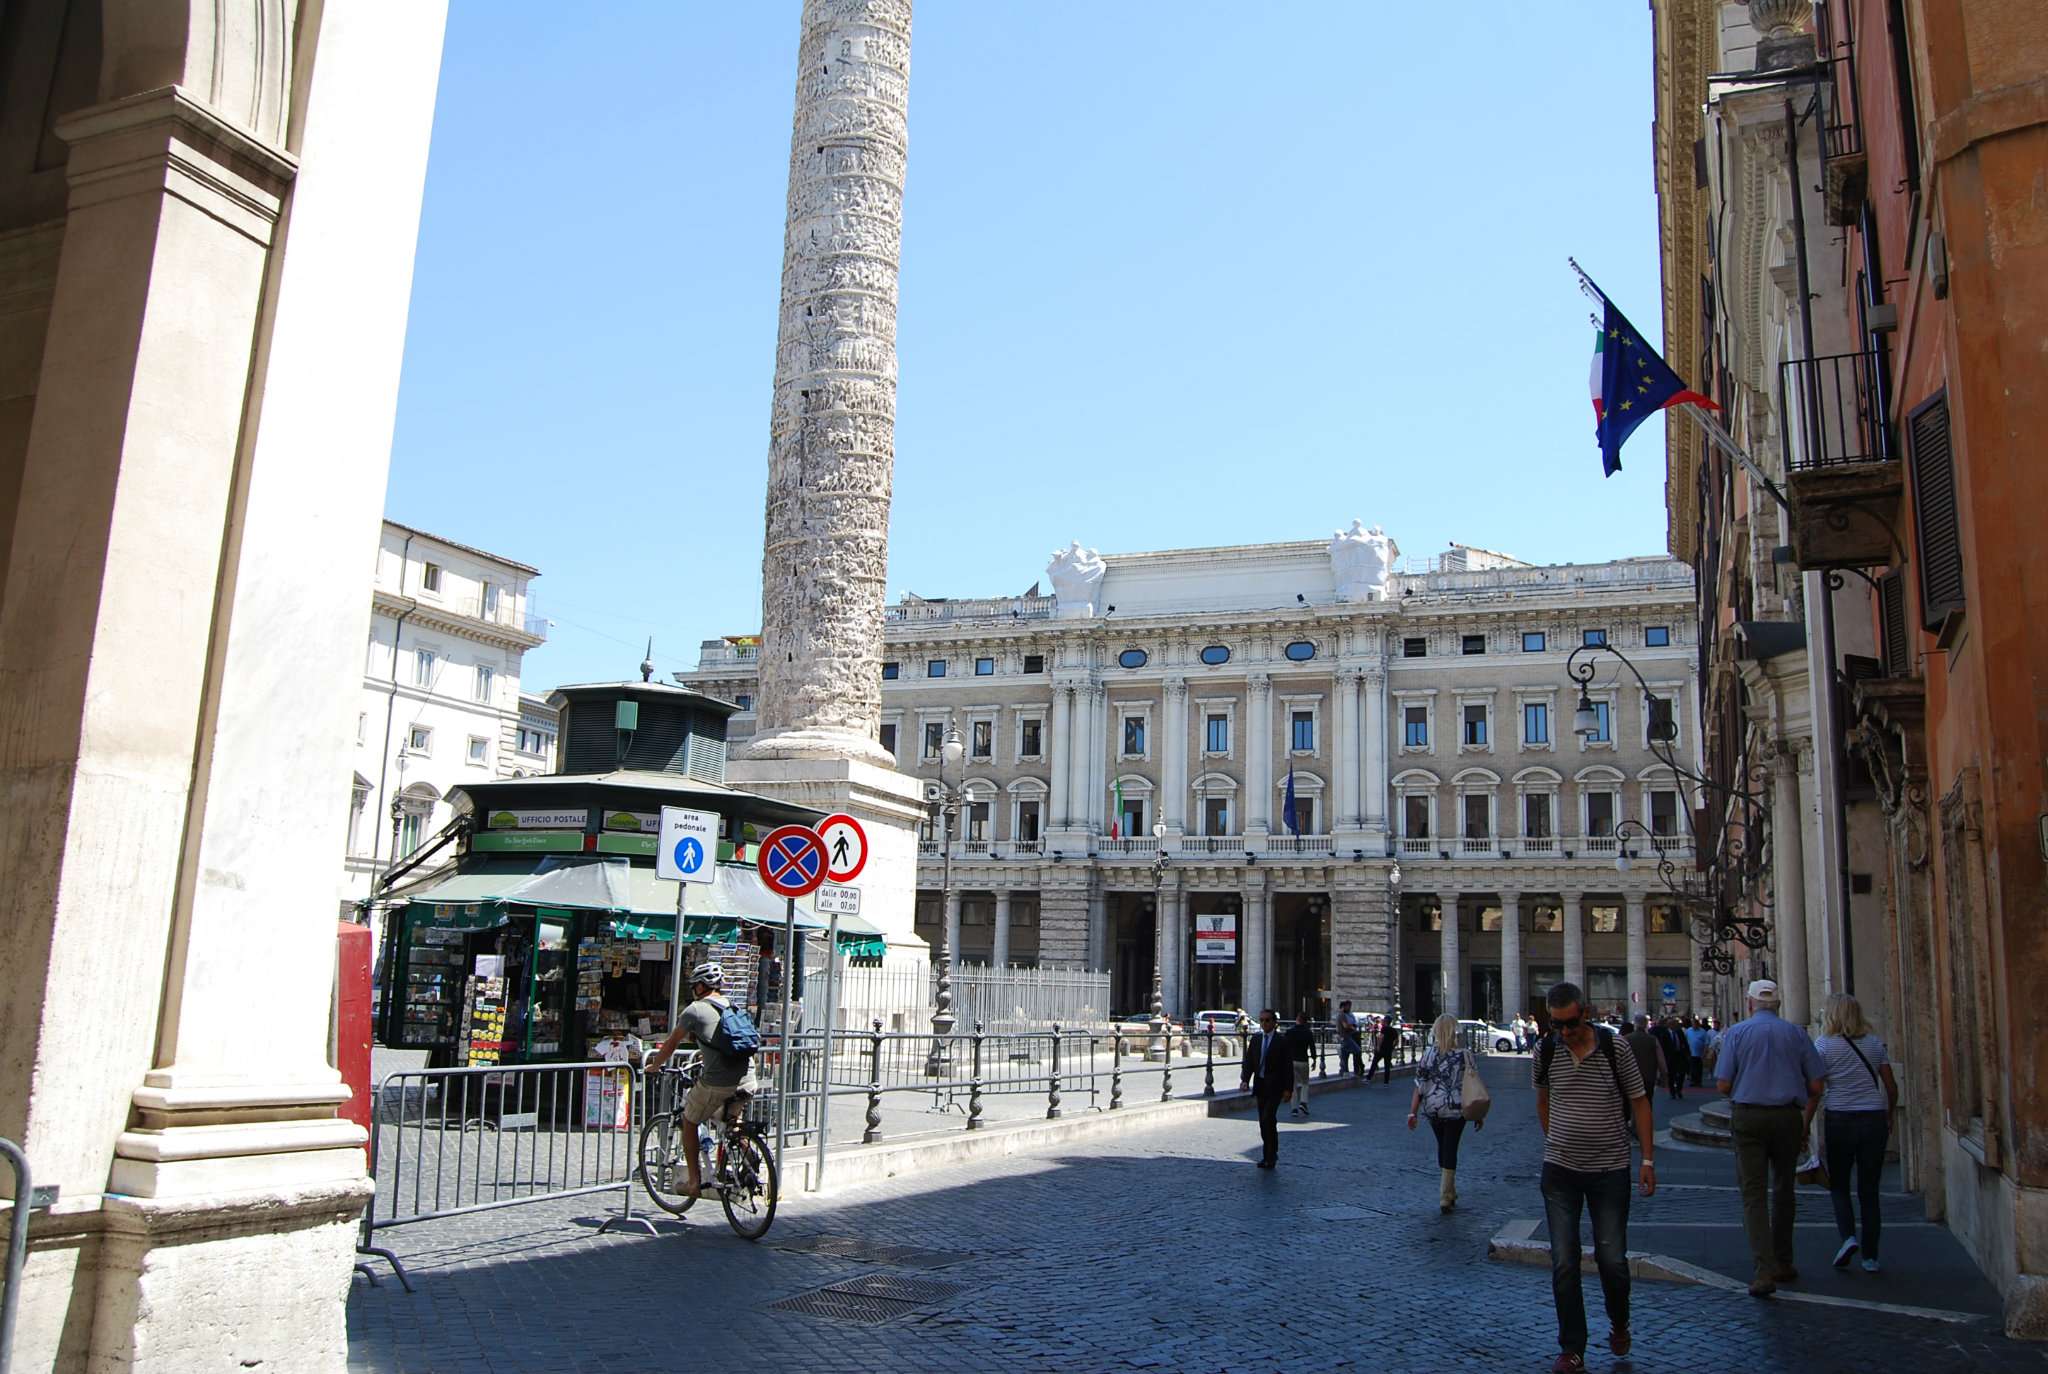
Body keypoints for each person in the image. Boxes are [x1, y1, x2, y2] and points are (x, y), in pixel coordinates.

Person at [1533, 982, 1655, 1374]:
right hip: (1560, 1171)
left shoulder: (1615, 1048)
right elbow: (1542, 1099)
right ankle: (1572, 1348)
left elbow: (1639, 1102)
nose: (1564, 1033)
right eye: (1556, 1025)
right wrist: (1556, 1139)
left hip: (1609, 1170)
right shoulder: (1546, 1050)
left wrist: (1648, 1161)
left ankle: (1619, 1321)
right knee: (1564, 1262)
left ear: (1585, 1013)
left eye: (1569, 1024)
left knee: (1612, 1261)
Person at [1715, 979, 1825, 1297]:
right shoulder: (1796, 1034)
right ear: (1778, 1004)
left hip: (1749, 1115)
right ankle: (1784, 1261)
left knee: (1753, 1194)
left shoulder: (1737, 1033)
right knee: (1783, 1189)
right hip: (1788, 1116)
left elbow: (1722, 1084)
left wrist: (1746, 1088)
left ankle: (1763, 1270)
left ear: (1750, 1003)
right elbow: (1817, 1086)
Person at [646, 962, 758, 1201]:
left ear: (700, 985)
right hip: (748, 1077)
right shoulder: (733, 1006)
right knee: (732, 1124)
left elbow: (672, 1043)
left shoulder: (694, 1010)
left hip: (719, 1081)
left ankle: (694, 1183)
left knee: (689, 1120)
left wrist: (654, 1065)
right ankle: (751, 1159)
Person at [1812, 992, 1898, 1273]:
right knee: (1869, 1190)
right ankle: (1871, 1256)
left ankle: (1848, 1236)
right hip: (1873, 1117)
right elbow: (1890, 1084)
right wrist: (1890, 1112)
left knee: (1839, 1184)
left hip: (1840, 1118)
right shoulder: (1874, 1044)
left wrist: (1806, 1123)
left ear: (1832, 1015)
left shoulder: (1824, 1045)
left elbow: (1817, 1088)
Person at [1407, 1014, 1479, 1213]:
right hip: (1457, 1108)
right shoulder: (1465, 1054)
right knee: (1450, 1146)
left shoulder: (1428, 1055)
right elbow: (1474, 1086)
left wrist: (1412, 1113)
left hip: (1433, 1108)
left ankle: (1450, 1190)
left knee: (1443, 1145)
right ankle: (1445, 1194)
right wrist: (1479, 1113)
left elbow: (1419, 1086)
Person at [1239, 1008, 1295, 1169]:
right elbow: (1249, 1061)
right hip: (1260, 1085)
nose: (1264, 1023)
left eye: (1267, 1020)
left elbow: (1287, 1067)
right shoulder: (1256, 1039)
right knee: (1264, 1122)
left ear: (1274, 1023)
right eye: (1262, 1020)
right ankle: (1268, 1154)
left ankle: (1271, 1155)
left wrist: (1288, 1089)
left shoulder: (1282, 1041)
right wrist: (1244, 1080)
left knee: (1268, 1118)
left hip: (1276, 1087)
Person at [1622, 1014, 1665, 1098]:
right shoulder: (1653, 1039)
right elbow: (1661, 1061)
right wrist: (1664, 1076)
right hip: (1648, 1077)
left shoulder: (1626, 1039)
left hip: (1630, 1078)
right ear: (1646, 1024)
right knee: (1647, 1101)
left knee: (1630, 1104)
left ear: (1635, 1024)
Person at [1286, 1008, 1317, 1117]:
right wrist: (1314, 1059)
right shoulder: (1308, 1032)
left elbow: (1284, 1046)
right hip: (1303, 1060)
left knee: (1293, 1085)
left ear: (1297, 1019)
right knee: (1305, 1083)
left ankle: (1294, 1109)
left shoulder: (1289, 1032)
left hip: (1291, 1060)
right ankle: (1303, 1102)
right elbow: (1312, 1047)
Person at [1655, 1016, 1690, 1100]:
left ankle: (1679, 1089)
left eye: (1676, 1024)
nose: (1676, 1025)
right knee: (1671, 1075)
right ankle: (1672, 1092)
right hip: (1670, 1057)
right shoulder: (1665, 1033)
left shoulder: (1679, 1032)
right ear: (1669, 1025)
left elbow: (1685, 1042)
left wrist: (1687, 1053)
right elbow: (1662, 1046)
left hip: (1680, 1055)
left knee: (1681, 1073)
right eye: (1674, 1024)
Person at [1369, 1011, 1401, 1084]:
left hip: (1382, 1048)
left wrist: (1378, 1046)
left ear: (1386, 1021)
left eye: (1384, 1020)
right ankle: (1386, 1081)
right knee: (1387, 1066)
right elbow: (1397, 1040)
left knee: (1374, 1063)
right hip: (1389, 1049)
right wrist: (1393, 1047)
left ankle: (1369, 1078)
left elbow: (1381, 1038)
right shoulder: (1394, 1030)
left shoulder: (1384, 1029)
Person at [1337, 1000, 1364, 1078]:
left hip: (1347, 1036)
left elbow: (1352, 1024)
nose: (1349, 1008)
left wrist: (1352, 1026)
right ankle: (1351, 1070)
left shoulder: (1349, 1015)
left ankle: (1345, 1071)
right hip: (1345, 1036)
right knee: (1356, 1050)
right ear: (1344, 1007)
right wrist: (1352, 1026)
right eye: (1348, 1006)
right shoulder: (1342, 1015)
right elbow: (1346, 1026)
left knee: (1344, 1055)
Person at [1685, 1017, 1711, 1088]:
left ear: (1698, 1025)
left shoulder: (1702, 1031)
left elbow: (1706, 1043)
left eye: (1695, 1024)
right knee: (1692, 1067)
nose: (1694, 1026)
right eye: (1693, 1024)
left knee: (1699, 1068)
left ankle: (1698, 1081)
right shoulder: (1688, 1031)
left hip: (1700, 1053)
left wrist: (1704, 1052)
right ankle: (1693, 1080)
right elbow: (1685, 1040)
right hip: (1691, 1052)